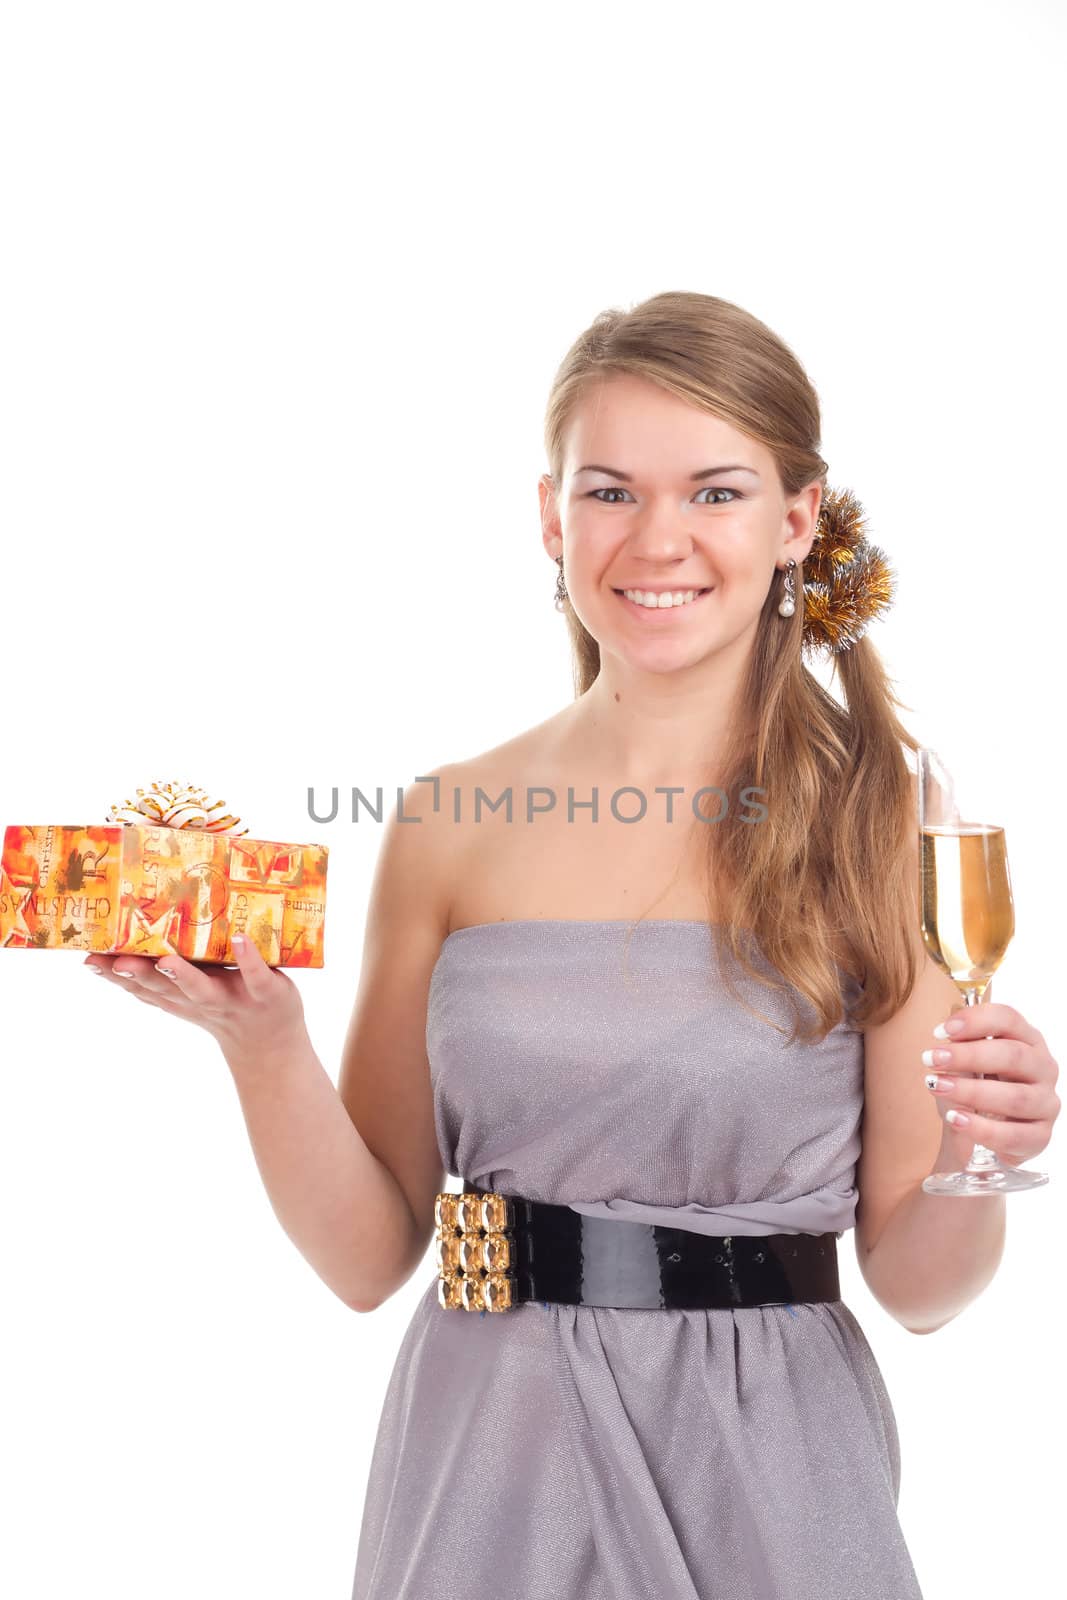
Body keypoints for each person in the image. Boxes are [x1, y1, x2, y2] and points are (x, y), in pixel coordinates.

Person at [85, 291, 1061, 1599]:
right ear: (552, 517)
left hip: (770, 1477)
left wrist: (979, 1151)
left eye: (715, 491)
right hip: (488, 1461)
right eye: (612, 490)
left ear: (798, 521)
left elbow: (923, 1289)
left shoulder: (886, 821)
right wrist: (263, 1045)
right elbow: (371, 1257)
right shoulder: (447, 821)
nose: (658, 538)